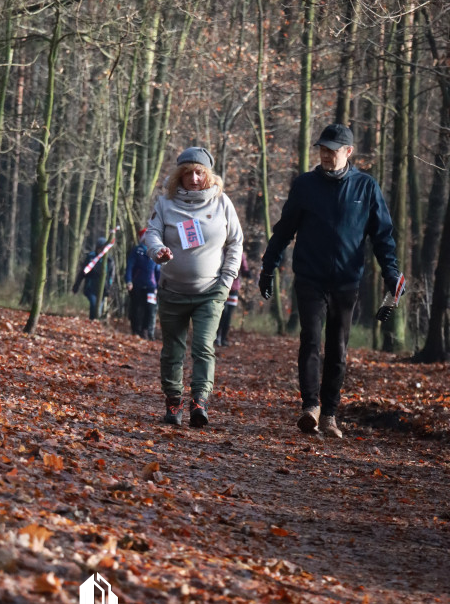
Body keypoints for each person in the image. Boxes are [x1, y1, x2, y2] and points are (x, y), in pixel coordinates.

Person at [259, 123, 403, 439]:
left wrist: (390, 272)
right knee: (310, 338)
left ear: (348, 152)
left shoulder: (366, 187)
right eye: (322, 150)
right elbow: (284, 230)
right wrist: (269, 265)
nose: (326, 155)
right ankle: (310, 407)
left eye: (332, 150)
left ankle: (330, 414)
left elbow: (382, 237)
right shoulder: (305, 185)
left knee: (337, 347)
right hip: (310, 277)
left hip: (347, 282)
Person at [146, 146, 243, 427]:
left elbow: (235, 242)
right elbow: (151, 233)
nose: (195, 178)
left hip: (210, 292)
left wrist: (227, 280)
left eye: (200, 172)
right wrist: (158, 251)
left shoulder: (222, 203)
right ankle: (173, 402)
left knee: (203, 346)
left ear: (209, 175)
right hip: (172, 290)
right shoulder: (165, 203)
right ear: (179, 176)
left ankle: (199, 401)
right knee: (172, 350)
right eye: (188, 173)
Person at [125, 229, 161, 340]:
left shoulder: (156, 251)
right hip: (137, 285)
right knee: (137, 308)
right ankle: (136, 330)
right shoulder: (137, 251)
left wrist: (158, 286)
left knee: (150, 309)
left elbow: (158, 270)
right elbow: (130, 267)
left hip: (151, 286)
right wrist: (129, 281)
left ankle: (147, 331)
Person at [72, 236, 114, 320]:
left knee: (99, 308)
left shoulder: (109, 261)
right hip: (91, 287)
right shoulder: (91, 258)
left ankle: (95, 322)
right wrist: (77, 285)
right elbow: (82, 273)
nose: (101, 251)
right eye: (100, 248)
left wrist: (109, 289)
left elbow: (111, 276)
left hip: (103, 289)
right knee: (94, 305)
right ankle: (92, 321)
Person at [215, 252, 250, 346]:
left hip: (234, 288)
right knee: (222, 312)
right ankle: (216, 337)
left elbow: (244, 267)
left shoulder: (240, 253)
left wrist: (247, 272)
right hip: (221, 286)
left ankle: (223, 338)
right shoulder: (221, 251)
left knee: (228, 315)